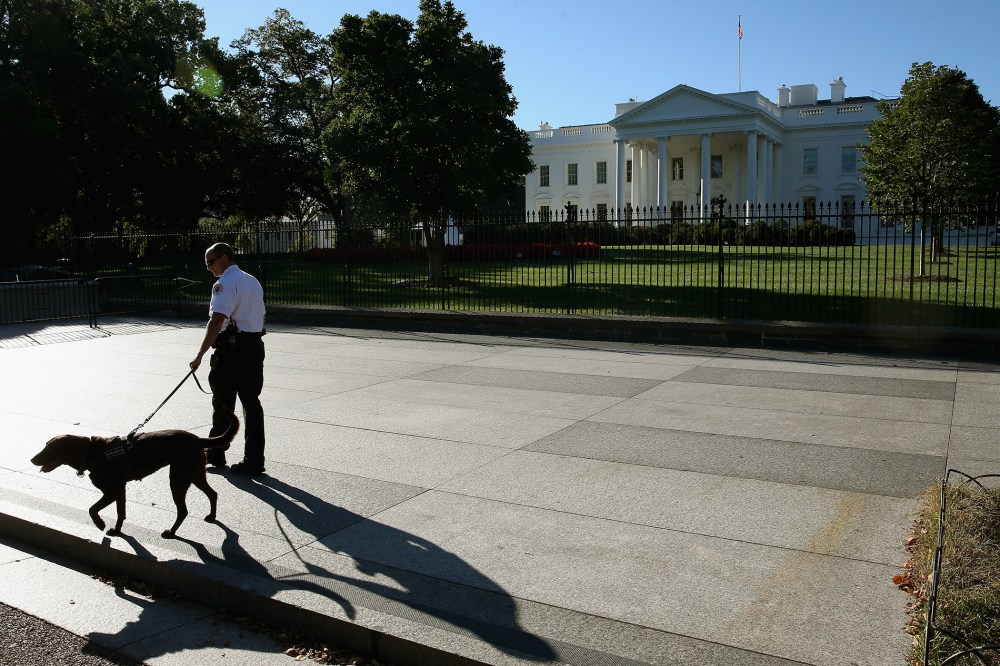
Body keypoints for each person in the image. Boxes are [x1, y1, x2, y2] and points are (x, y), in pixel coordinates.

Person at [189, 242, 267, 475]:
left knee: (223, 403)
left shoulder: (224, 284)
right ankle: (254, 460)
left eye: (210, 262)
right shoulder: (252, 280)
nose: (208, 267)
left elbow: (217, 320)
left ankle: (216, 453)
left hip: (232, 351)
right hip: (254, 346)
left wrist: (200, 354)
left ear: (224, 258)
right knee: (252, 405)